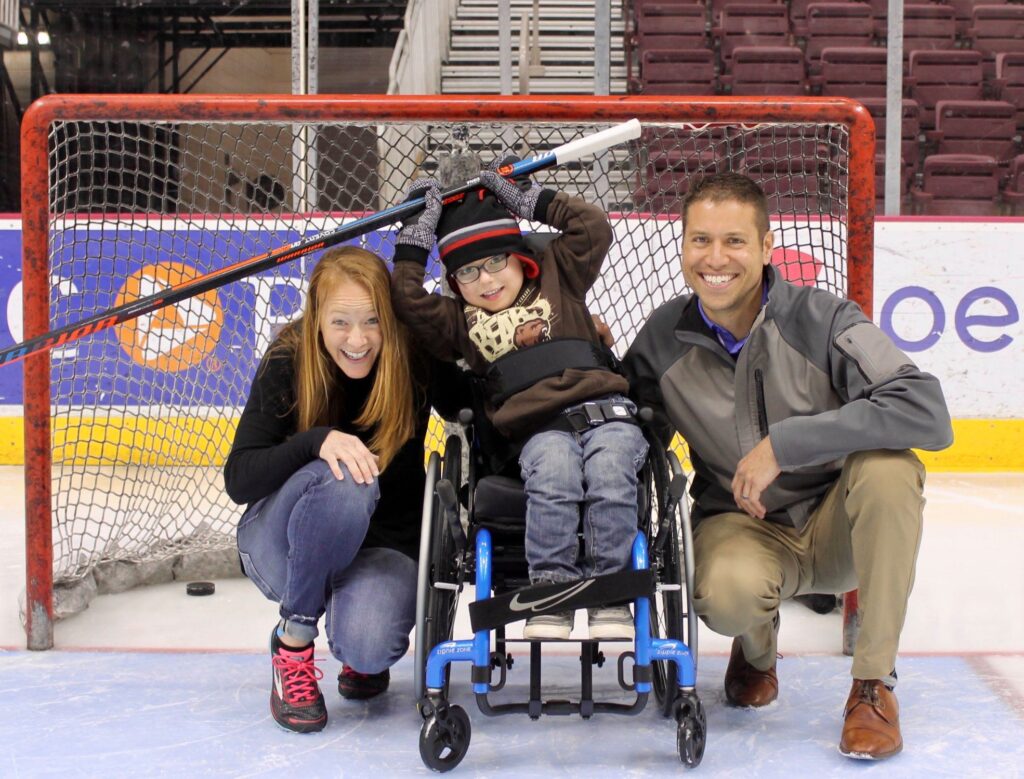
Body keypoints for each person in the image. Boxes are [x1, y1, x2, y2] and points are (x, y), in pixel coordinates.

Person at [624, 172, 952, 760]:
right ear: (682, 245)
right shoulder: (661, 338)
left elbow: (926, 411)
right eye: (700, 240)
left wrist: (786, 444)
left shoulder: (823, 320)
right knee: (725, 592)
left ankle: (872, 684)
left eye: (734, 241)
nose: (715, 258)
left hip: (835, 524)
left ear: (768, 247)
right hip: (740, 522)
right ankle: (756, 651)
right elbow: (625, 423)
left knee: (890, 469)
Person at [390, 162, 648, 642]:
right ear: (453, 282)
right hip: (538, 430)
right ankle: (551, 590)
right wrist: (417, 233)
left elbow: (592, 225)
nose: (485, 281)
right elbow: (406, 301)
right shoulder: (459, 323)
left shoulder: (559, 275)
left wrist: (529, 200)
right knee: (555, 472)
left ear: (521, 257)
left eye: (495, 263)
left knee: (612, 468)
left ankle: (611, 592)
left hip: (605, 414)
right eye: (467, 272)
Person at [224, 246, 468, 733]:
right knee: (345, 475)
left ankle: (352, 633)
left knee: (369, 648)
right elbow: (240, 478)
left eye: (372, 321)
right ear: (316, 316)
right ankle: (294, 642)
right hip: (285, 546)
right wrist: (316, 444)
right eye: (340, 322)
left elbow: (472, 406)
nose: (357, 340)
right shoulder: (288, 360)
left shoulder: (412, 358)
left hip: (384, 544)